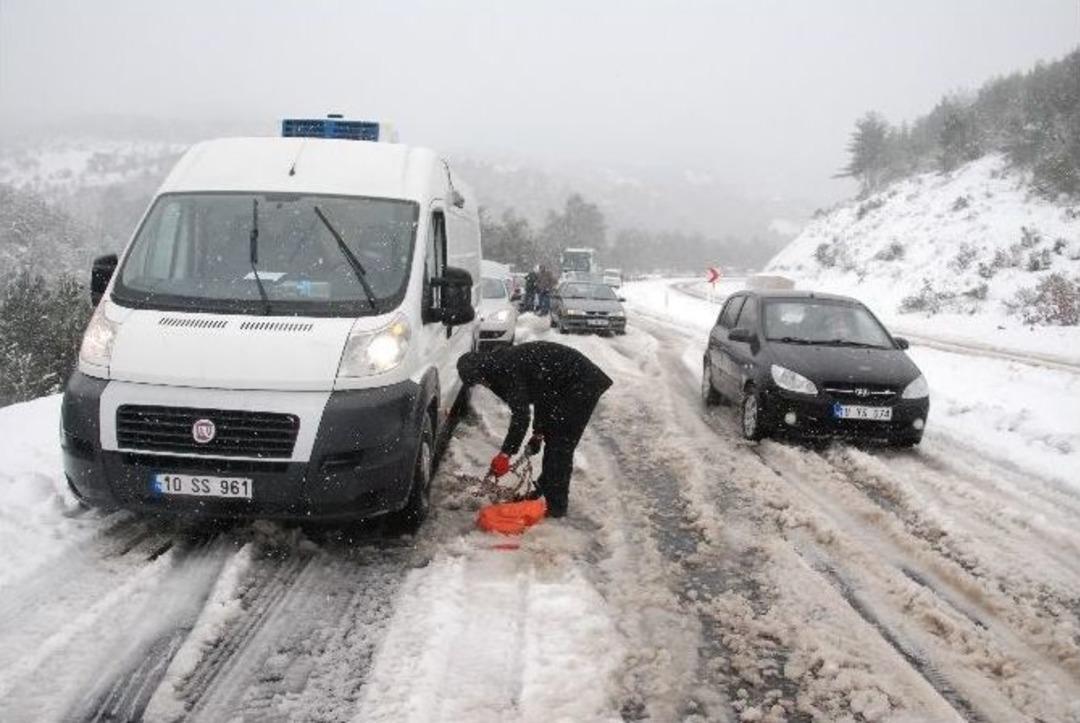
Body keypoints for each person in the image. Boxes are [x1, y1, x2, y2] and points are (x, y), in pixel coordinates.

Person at [457, 342, 613, 518]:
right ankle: (543, 490)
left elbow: (521, 416)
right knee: (554, 439)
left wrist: (506, 454)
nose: (482, 384)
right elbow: (542, 394)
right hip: (561, 386)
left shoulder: (506, 371)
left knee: (560, 446)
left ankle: (556, 508)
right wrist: (538, 433)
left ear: (482, 371)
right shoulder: (499, 365)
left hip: (581, 383)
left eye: (479, 380)